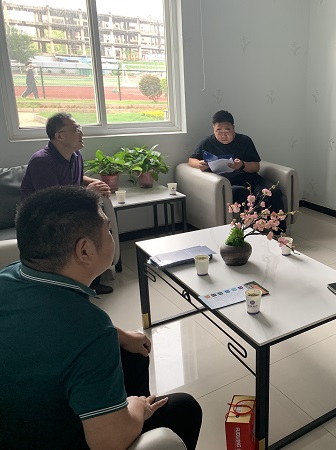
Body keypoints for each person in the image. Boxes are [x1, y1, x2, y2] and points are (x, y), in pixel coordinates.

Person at [0, 186, 202, 449]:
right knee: (184, 408)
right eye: (107, 229)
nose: (111, 235)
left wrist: (121, 336)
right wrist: (136, 407)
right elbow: (107, 443)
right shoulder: (91, 330)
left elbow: (46, 328)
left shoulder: (10, 275)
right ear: (85, 251)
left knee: (133, 354)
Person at [21, 112, 113, 294]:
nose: (81, 133)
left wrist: (93, 182)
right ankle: (72, 286)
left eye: (80, 128)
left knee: (97, 225)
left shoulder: (76, 155)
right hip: (43, 219)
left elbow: (76, 179)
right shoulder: (42, 161)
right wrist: (88, 192)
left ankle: (91, 280)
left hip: (66, 212)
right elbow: (53, 202)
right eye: (76, 129)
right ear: (59, 136)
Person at [188, 110, 287, 231]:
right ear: (213, 129)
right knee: (241, 193)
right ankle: (252, 231)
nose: (223, 135)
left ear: (233, 128)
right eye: (219, 131)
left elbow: (256, 167)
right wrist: (199, 164)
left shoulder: (245, 141)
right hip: (228, 183)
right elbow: (191, 160)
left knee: (272, 192)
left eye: (227, 131)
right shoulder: (207, 143)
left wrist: (242, 165)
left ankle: (278, 231)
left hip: (251, 180)